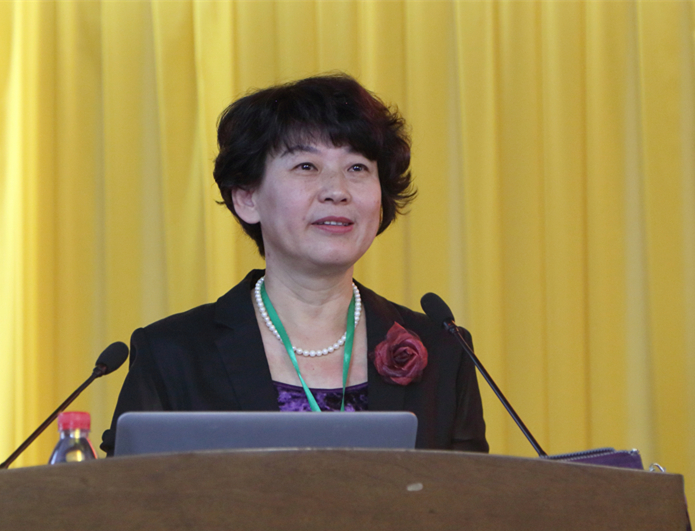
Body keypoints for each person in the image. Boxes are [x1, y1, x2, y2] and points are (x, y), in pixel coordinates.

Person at [100, 74, 487, 455]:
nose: (337, 191)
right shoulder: (174, 355)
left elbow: (471, 493)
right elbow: (126, 492)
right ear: (247, 198)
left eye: (357, 167)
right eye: (306, 166)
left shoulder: (444, 351)